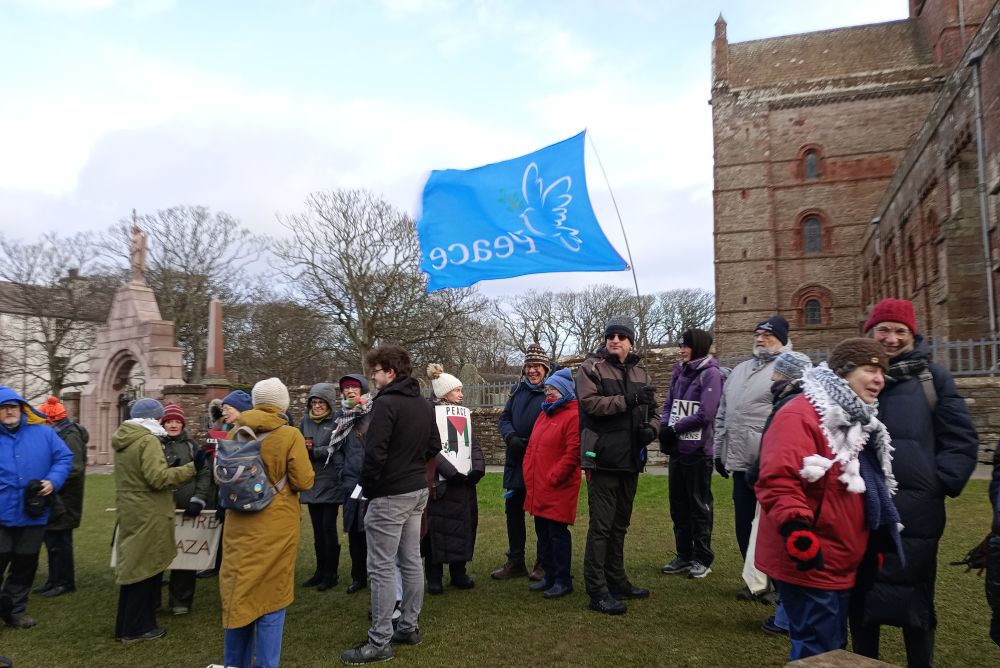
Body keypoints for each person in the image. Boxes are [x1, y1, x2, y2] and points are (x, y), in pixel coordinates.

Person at [849, 298, 979, 667]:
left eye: (899, 331)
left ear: (912, 334)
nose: (890, 339)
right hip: (862, 505)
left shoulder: (932, 378)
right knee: (861, 594)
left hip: (917, 509)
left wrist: (939, 482)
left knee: (916, 597)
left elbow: (961, 438)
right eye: (883, 330)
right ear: (870, 332)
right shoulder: (852, 377)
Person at [755, 338, 901, 661]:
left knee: (832, 645)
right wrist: (798, 533)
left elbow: (864, 489)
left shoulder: (860, 422)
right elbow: (779, 478)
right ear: (843, 372)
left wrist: (871, 543)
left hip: (844, 559)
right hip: (811, 558)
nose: (879, 378)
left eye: (882, 371)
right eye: (869, 369)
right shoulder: (801, 413)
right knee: (817, 651)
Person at [340, 345, 440, 665]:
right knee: (410, 560)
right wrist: (409, 465)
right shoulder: (423, 404)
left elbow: (375, 454)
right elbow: (433, 447)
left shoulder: (385, 404)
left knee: (382, 567)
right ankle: (408, 626)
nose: (373, 377)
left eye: (376, 372)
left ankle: (380, 640)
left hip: (389, 494)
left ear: (390, 373)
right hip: (415, 490)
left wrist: (370, 489)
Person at [221, 378, 314, 668]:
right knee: (272, 600)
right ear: (282, 403)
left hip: (238, 526)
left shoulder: (234, 433)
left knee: (240, 595)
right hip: (275, 526)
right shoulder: (289, 435)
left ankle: (235, 663)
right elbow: (303, 480)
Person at [576, 315, 660, 615]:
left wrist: (652, 428)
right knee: (601, 526)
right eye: (611, 335)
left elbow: (655, 410)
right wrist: (628, 400)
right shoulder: (591, 368)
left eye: (621, 336)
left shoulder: (642, 373)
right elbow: (591, 405)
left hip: (631, 459)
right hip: (603, 458)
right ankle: (597, 590)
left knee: (620, 525)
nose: (615, 340)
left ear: (630, 342)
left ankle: (617, 579)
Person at [113, 397, 203, 642]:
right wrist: (191, 468)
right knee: (145, 569)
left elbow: (141, 475)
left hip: (132, 509)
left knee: (134, 568)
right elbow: (158, 479)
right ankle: (138, 628)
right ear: (153, 418)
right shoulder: (147, 440)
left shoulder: (125, 438)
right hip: (149, 512)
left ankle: (125, 625)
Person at [714, 315, 791, 599]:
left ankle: (781, 585)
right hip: (739, 461)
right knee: (744, 522)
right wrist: (719, 452)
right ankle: (756, 582)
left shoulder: (790, 366)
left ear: (781, 338)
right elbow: (724, 412)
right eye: (757, 334)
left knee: (773, 526)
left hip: (772, 464)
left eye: (767, 335)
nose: (760, 339)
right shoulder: (741, 369)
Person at [0, 386, 73, 630]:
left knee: (24, 568)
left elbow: (64, 458)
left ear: (22, 409)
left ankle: (15, 613)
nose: (8, 411)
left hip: (33, 515)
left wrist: (53, 481)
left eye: (13, 406)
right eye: (3, 407)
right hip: (1, 515)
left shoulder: (44, 434)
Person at [658, 328, 724, 580]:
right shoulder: (679, 371)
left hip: (698, 452)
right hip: (678, 451)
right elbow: (669, 404)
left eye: (686, 346)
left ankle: (702, 557)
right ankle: (683, 554)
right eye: (681, 346)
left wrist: (675, 428)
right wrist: (665, 427)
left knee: (699, 506)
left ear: (697, 347)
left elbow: (705, 415)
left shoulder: (711, 374)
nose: (682, 350)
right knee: (678, 506)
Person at [423, 364, 486, 595]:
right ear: (443, 393)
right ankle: (434, 576)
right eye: (457, 390)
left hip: (464, 485)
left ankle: (459, 573)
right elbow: (430, 448)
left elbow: (473, 443)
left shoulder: (464, 414)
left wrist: (478, 467)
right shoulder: (428, 415)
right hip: (440, 484)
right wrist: (450, 471)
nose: (461, 394)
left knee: (463, 528)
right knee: (435, 532)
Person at [494, 343, 551, 582]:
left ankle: (543, 562)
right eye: (529, 366)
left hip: (540, 460)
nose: (532, 370)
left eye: (537, 366)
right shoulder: (518, 390)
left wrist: (534, 442)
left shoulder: (551, 390)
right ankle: (516, 560)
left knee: (541, 513)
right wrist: (511, 436)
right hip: (516, 458)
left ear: (546, 368)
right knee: (513, 511)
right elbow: (505, 417)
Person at [522, 368, 581, 599]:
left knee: (557, 534)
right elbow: (532, 448)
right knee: (543, 534)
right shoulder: (545, 413)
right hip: (539, 485)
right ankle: (548, 576)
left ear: (565, 391)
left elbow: (573, 452)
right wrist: (529, 472)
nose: (548, 393)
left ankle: (563, 580)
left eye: (553, 389)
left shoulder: (573, 415)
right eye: (547, 388)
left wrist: (554, 477)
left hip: (557, 487)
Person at [159, 403, 212, 615]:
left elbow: (204, 473)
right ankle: (152, 599)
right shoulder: (155, 445)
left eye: (176, 421)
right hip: (162, 509)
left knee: (185, 556)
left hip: (187, 508)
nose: (173, 425)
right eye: (169, 421)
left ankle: (181, 600)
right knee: (157, 555)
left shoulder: (192, 446)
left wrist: (198, 499)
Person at [33, 395, 88, 598]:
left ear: (51, 419)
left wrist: (51, 480)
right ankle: (54, 580)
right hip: (58, 498)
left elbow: (74, 468)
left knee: (61, 542)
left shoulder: (70, 435)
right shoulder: (61, 433)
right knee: (53, 541)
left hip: (66, 499)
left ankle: (65, 582)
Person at [300, 382, 347, 591]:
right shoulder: (304, 421)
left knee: (329, 529)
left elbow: (336, 447)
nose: (317, 406)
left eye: (321, 402)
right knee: (317, 530)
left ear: (329, 404)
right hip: (311, 481)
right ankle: (320, 571)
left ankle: (331, 573)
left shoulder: (337, 420)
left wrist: (314, 452)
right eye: (314, 402)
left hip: (330, 481)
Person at [337, 374, 375, 594]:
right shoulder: (341, 417)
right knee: (354, 533)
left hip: (371, 480)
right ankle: (358, 576)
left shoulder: (374, 413)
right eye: (346, 389)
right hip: (351, 482)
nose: (350, 392)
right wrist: (343, 473)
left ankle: (376, 574)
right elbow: (338, 449)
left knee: (372, 530)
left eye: (354, 388)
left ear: (362, 390)